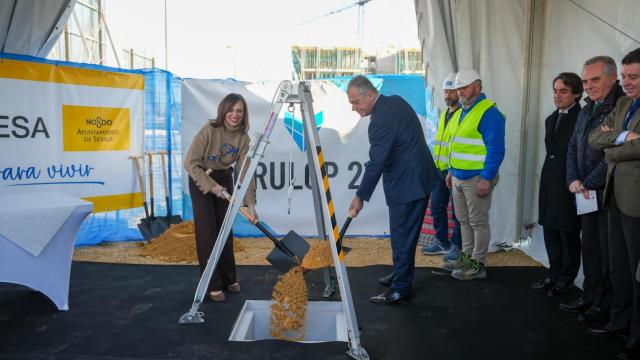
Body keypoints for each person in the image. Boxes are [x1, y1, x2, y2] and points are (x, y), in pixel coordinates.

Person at [346, 75, 439, 305]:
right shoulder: (395, 101)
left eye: (356, 102)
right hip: (419, 179)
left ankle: (401, 288)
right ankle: (400, 273)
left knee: (401, 237)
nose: (354, 108)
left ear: (370, 94)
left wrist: (360, 197)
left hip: (407, 185)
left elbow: (377, 161)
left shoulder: (380, 120)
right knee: (406, 235)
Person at [561, 57, 623, 322]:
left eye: (594, 80)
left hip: (606, 192)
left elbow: (612, 152)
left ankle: (604, 305)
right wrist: (573, 179)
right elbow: (574, 146)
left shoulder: (620, 107)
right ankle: (589, 297)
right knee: (591, 249)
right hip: (585, 192)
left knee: (609, 254)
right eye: (585, 81)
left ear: (613, 77)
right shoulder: (587, 108)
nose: (588, 86)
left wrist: (587, 182)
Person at [589, 48, 640, 360]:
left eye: (633, 77)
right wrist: (625, 137)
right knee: (618, 267)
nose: (626, 82)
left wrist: (612, 144)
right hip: (615, 198)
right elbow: (595, 138)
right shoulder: (622, 103)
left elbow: (606, 148)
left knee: (637, 273)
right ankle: (619, 322)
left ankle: (637, 333)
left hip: (636, 204)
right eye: (624, 76)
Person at [184, 93, 257, 302]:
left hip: (224, 180)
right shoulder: (210, 130)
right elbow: (190, 163)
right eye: (231, 110)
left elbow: (245, 172)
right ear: (223, 111)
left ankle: (228, 278)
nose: (235, 115)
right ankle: (211, 284)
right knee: (208, 231)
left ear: (244, 114)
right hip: (202, 179)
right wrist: (211, 187)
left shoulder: (244, 138)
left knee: (225, 230)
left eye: (239, 111)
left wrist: (250, 205)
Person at [442, 68, 505, 280]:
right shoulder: (462, 111)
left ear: (478, 86)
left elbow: (496, 149)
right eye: (458, 88)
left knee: (478, 222)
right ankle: (467, 258)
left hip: (477, 177)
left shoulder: (489, 112)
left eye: (464, 87)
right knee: (464, 221)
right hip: (459, 176)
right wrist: (451, 170)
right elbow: (456, 145)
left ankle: (477, 265)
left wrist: (486, 177)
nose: (460, 92)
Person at [530, 73, 583, 297]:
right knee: (550, 231)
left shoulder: (581, 118)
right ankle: (553, 274)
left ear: (577, 93)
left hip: (569, 185)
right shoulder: (551, 119)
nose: (557, 95)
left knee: (568, 234)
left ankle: (567, 279)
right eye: (555, 90)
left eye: (563, 91)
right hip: (549, 184)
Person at [421, 73, 463, 262]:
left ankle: (457, 246)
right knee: (437, 206)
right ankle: (442, 242)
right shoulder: (445, 113)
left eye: (451, 91)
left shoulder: (463, 113)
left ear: (459, 92)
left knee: (457, 212)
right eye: (446, 91)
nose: (447, 95)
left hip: (455, 170)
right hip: (440, 169)